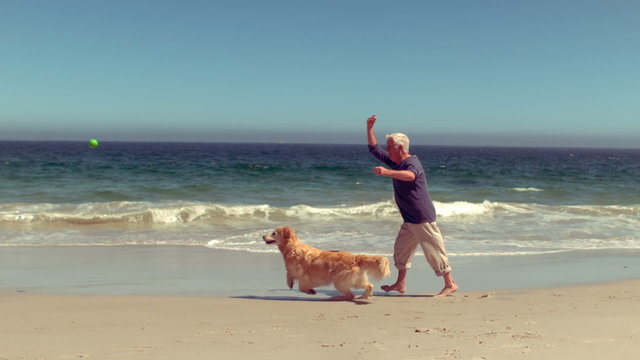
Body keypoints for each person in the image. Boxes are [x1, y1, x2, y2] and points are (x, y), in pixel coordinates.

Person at [366, 115, 458, 297]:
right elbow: (374, 149)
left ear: (399, 148)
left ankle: (450, 283)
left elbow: (411, 176)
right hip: (409, 218)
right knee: (401, 250)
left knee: (434, 250)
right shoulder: (396, 161)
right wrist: (369, 128)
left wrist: (387, 173)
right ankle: (400, 284)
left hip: (421, 216)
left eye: (390, 147)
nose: (387, 150)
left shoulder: (411, 162)